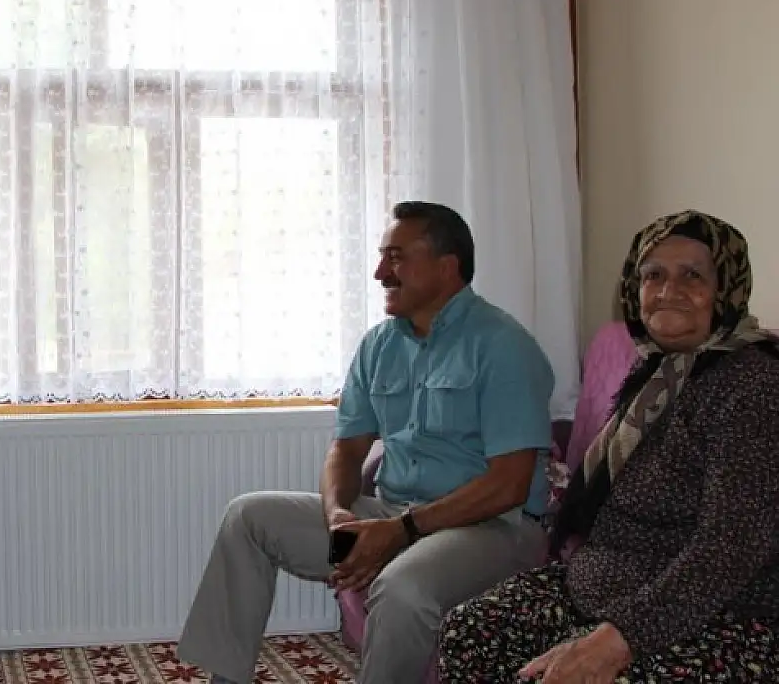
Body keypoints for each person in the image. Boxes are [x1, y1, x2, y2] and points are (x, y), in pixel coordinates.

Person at [177, 201, 555, 684]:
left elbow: (509, 484)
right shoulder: (379, 345)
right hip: (394, 514)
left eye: (396, 257)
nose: (380, 273)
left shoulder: (503, 345)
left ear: (447, 266)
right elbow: (347, 449)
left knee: (402, 588)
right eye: (381, 257)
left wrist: (401, 530)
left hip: (491, 530)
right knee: (248, 517)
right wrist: (338, 513)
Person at [438, 210, 779, 683]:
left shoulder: (753, 385)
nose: (668, 291)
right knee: (471, 630)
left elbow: (730, 549)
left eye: (693, 276)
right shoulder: (655, 374)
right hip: (604, 587)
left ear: (727, 290)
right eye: (653, 275)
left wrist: (618, 639)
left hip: (714, 612)